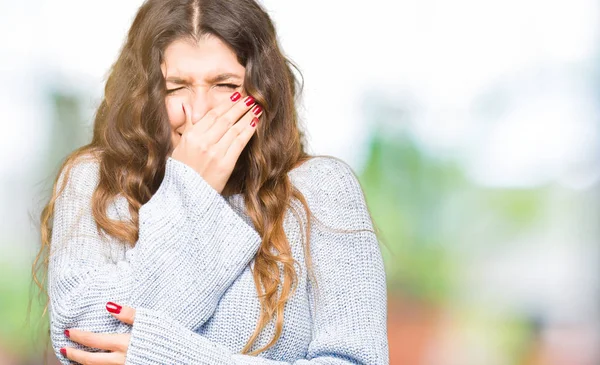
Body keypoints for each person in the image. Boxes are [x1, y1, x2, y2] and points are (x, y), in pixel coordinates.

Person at [34, 0, 389, 363]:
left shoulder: (320, 189)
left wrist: (179, 358)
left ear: (261, 92)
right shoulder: (97, 178)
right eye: (176, 87)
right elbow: (85, 344)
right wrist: (190, 188)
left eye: (225, 84)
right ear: (146, 97)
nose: (201, 112)